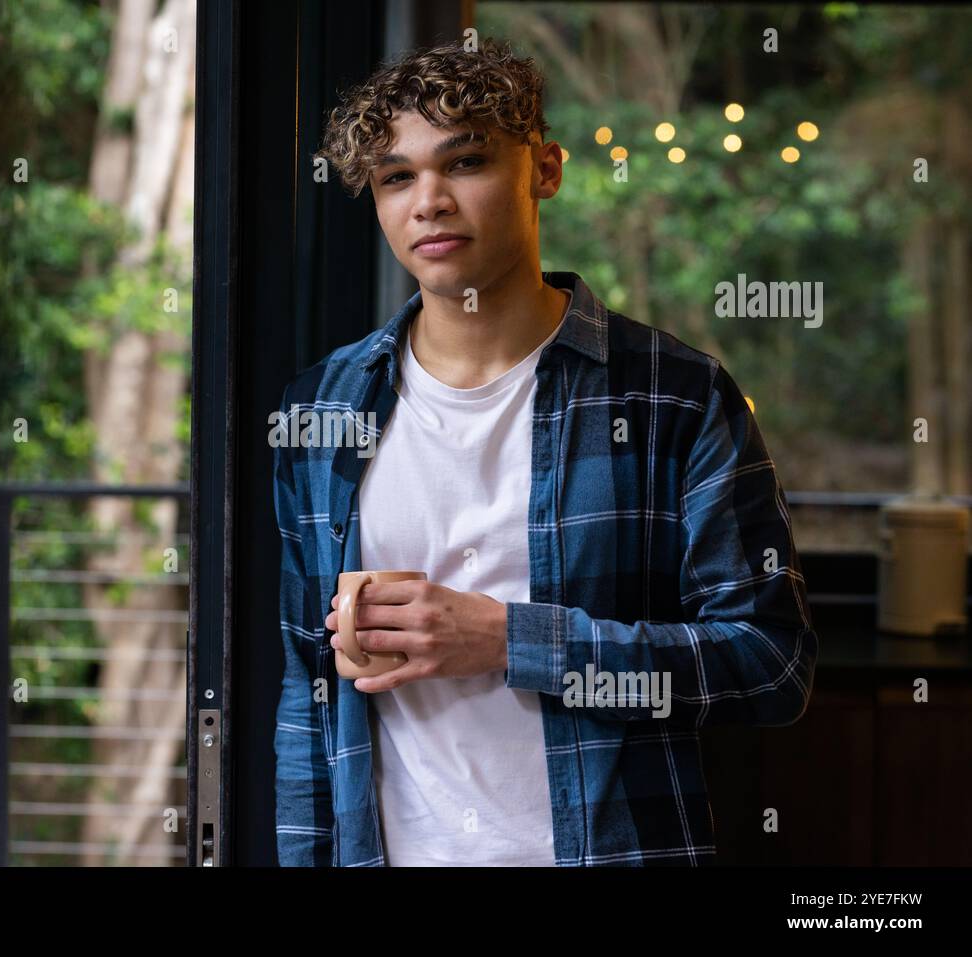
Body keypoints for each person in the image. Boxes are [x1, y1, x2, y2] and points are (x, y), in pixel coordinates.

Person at [271, 37, 817, 867]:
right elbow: (306, 696)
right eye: (395, 176)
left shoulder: (674, 396)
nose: (430, 202)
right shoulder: (323, 407)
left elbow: (771, 666)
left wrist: (512, 640)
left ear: (546, 170)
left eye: (466, 161)